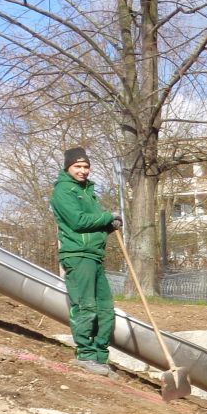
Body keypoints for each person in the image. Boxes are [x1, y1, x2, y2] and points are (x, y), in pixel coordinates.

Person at [50, 147, 121, 375]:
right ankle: (86, 355)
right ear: (68, 167)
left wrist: (108, 227)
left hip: (94, 254)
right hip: (78, 255)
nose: (83, 171)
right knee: (85, 305)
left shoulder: (88, 192)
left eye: (86, 167)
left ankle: (100, 357)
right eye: (77, 166)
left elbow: (92, 225)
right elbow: (78, 221)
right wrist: (107, 216)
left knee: (105, 309)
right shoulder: (63, 191)